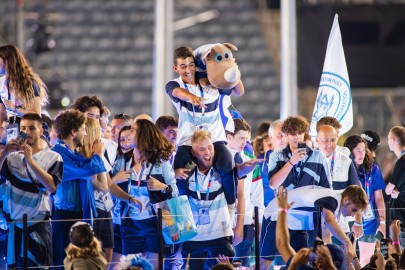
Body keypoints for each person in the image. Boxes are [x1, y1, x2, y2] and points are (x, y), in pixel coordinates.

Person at [165, 46, 244, 207]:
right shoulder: (173, 84)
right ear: (176, 68)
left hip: (214, 138)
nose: (188, 70)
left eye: (191, 65)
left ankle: (231, 207)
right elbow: (177, 93)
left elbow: (238, 91)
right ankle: (183, 213)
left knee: (226, 166)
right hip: (188, 140)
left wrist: (231, 69)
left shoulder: (211, 79)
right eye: (183, 66)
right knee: (180, 172)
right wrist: (191, 97)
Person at [260, 116, 332, 269]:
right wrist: (291, 161)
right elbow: (273, 184)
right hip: (279, 215)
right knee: (264, 260)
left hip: (306, 219)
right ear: (285, 135)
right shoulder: (276, 156)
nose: (297, 137)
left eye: (300, 133)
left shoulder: (318, 156)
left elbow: (326, 190)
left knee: (303, 262)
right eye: (293, 133)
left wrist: (326, 222)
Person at [111, 119, 179, 269]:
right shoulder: (122, 161)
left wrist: (162, 186)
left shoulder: (161, 162)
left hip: (154, 223)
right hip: (129, 223)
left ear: (143, 135)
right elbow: (109, 188)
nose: (129, 133)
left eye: (134, 130)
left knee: (154, 267)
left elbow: (174, 192)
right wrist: (116, 179)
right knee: (130, 267)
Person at [0, 113, 63, 267]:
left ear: (41, 131)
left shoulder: (53, 157)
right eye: (23, 128)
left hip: (38, 223)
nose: (27, 132)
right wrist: (5, 152)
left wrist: (30, 160)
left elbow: (52, 186)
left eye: (32, 128)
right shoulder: (11, 157)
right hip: (14, 225)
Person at [51, 109, 107, 268]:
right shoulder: (57, 155)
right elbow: (89, 170)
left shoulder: (76, 155)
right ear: (73, 132)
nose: (85, 133)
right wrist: (97, 155)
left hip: (79, 215)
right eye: (83, 129)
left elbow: (97, 180)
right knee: (62, 263)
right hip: (64, 218)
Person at [274, 185, 368, 270]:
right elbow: (329, 221)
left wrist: (281, 210)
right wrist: (348, 243)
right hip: (275, 216)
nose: (353, 215)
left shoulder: (334, 207)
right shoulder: (332, 199)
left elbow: (282, 244)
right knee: (264, 263)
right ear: (346, 200)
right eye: (354, 210)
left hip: (283, 215)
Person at [226, 119, 264, 267]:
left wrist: (259, 225)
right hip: (222, 222)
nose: (244, 143)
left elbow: (257, 196)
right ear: (229, 137)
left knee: (243, 265)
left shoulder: (251, 162)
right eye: (241, 138)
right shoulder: (218, 160)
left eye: (247, 139)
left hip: (247, 222)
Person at [344, 135, 386, 266]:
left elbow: (379, 197)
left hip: (369, 221)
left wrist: (383, 221)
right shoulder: (344, 168)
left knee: (366, 261)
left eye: (363, 149)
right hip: (348, 221)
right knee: (347, 259)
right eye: (357, 150)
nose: (361, 153)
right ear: (349, 151)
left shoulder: (372, 168)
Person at [316, 125, 362, 241]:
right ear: (317, 141)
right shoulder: (311, 159)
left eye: (333, 140)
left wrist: (358, 221)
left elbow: (356, 192)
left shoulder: (345, 160)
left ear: (337, 138)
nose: (329, 144)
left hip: (341, 221)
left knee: (342, 255)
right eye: (325, 140)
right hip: (316, 222)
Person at [0, 45, 48, 126]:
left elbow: (36, 115)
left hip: (30, 129)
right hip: (11, 129)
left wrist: (16, 109)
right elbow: (2, 113)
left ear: (8, 61)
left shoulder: (30, 83)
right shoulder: (1, 84)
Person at [385, 126, 405, 246]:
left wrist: (392, 191)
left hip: (400, 224)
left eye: (388, 138)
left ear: (393, 140)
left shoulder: (401, 161)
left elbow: (388, 190)